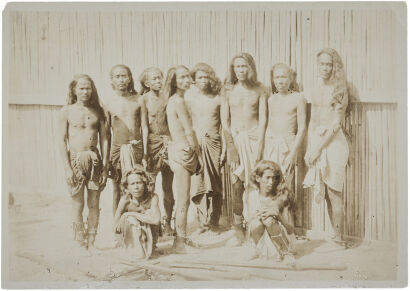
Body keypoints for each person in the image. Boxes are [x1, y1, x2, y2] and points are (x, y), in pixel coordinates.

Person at [303, 48, 350, 244]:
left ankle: (339, 237)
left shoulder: (340, 89)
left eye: (329, 64)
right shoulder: (315, 88)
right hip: (317, 141)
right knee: (327, 193)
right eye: (322, 63)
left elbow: (336, 124)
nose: (325, 68)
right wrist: (309, 148)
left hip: (334, 143)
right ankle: (335, 234)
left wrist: (318, 148)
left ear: (335, 66)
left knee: (334, 191)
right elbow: (313, 120)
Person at [221, 53, 268, 245]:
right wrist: (231, 146)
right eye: (236, 67)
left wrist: (260, 148)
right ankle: (238, 229)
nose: (240, 70)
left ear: (251, 68)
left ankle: (258, 226)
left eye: (243, 66)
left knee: (258, 184)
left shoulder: (260, 89)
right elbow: (225, 121)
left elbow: (264, 119)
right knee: (237, 184)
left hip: (255, 139)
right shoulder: (227, 90)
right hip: (236, 140)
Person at [58, 74, 109, 250]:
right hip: (75, 160)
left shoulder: (98, 111)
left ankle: (92, 241)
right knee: (78, 203)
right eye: (81, 88)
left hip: (95, 160)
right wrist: (67, 169)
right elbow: (61, 141)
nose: (85, 91)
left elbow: (104, 140)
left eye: (88, 88)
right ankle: (80, 242)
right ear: (74, 90)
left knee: (94, 203)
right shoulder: (66, 111)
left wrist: (105, 167)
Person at [185, 63, 226, 233]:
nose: (203, 80)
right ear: (194, 80)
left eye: (206, 77)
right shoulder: (189, 99)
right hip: (196, 145)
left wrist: (224, 149)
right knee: (198, 182)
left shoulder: (219, 98)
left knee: (215, 183)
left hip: (214, 143)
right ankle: (202, 221)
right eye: (199, 77)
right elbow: (187, 125)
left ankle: (214, 220)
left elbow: (224, 126)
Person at [264, 63, 307, 226]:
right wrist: (266, 151)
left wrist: (292, 153)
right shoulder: (271, 99)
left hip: (288, 145)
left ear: (290, 79)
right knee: (271, 188)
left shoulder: (298, 98)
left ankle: (290, 231)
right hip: (272, 146)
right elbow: (269, 125)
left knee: (285, 189)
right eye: (277, 77)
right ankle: (274, 229)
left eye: (283, 77)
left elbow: (302, 128)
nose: (280, 81)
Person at [165, 65, 202, 253]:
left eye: (188, 77)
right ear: (174, 81)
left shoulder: (177, 100)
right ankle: (179, 242)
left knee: (183, 197)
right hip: (182, 152)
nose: (187, 80)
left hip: (178, 149)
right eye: (182, 77)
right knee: (183, 198)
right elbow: (189, 130)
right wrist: (198, 153)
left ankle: (182, 238)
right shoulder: (177, 101)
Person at [105, 64, 149, 216]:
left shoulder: (139, 100)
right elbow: (106, 134)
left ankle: (142, 223)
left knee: (140, 185)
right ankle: (118, 225)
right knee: (118, 187)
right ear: (112, 80)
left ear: (130, 78)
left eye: (124, 76)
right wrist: (108, 158)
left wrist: (144, 154)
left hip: (136, 149)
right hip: (117, 150)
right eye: (117, 76)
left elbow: (144, 126)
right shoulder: (108, 103)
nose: (121, 79)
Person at [139, 67, 175, 236]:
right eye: (154, 79)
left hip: (168, 143)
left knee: (168, 187)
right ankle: (152, 224)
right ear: (147, 82)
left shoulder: (169, 97)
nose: (158, 81)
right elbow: (145, 127)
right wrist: (145, 152)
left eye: (160, 77)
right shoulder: (144, 99)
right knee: (150, 186)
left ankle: (168, 222)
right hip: (152, 143)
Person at [247, 160, 296, 261]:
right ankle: (260, 250)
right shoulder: (252, 196)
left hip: (284, 239)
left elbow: (291, 229)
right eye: (267, 178)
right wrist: (255, 217)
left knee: (269, 220)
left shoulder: (281, 195)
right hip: (262, 237)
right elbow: (250, 225)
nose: (271, 182)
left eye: (274, 178)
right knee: (256, 223)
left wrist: (278, 216)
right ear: (258, 178)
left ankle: (286, 253)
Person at [114, 166, 161, 259]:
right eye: (132, 184)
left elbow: (156, 220)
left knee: (149, 212)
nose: (136, 187)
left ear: (145, 183)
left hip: (150, 236)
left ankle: (150, 248)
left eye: (139, 183)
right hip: (131, 237)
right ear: (127, 187)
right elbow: (116, 227)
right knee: (130, 219)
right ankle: (135, 250)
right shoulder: (125, 200)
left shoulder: (152, 197)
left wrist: (129, 213)